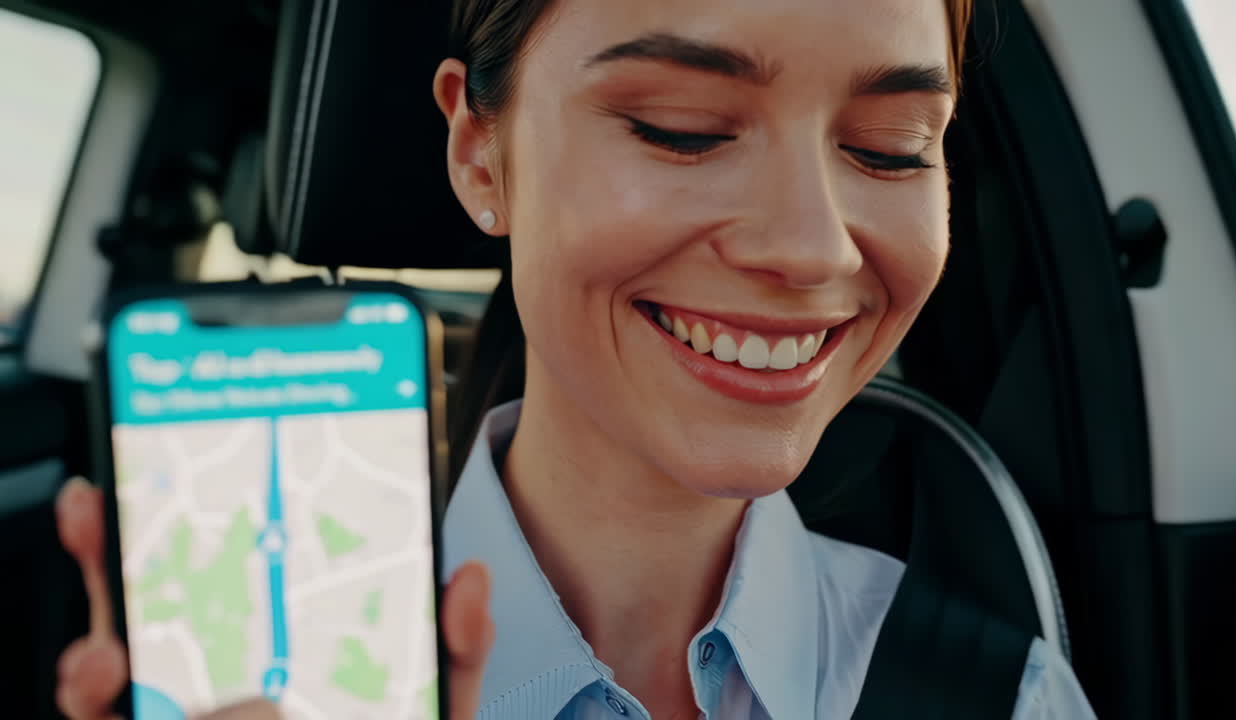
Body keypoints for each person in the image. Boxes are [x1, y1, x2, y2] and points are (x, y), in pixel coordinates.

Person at [53, 0, 1099, 717]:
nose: (811, 246)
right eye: (679, 129)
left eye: (890, 148)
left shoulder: (1002, 694)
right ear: (478, 150)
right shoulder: (284, 677)